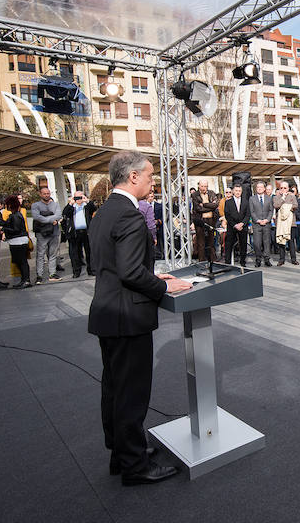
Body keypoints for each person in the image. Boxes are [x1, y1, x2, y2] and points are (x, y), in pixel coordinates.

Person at [87, 150, 191, 486]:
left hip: (107, 311)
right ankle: (135, 466)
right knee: (131, 394)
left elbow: (112, 266)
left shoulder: (104, 212)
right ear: (133, 176)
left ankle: (121, 453)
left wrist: (154, 279)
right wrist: (163, 287)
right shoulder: (130, 216)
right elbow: (132, 272)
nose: (152, 181)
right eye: (149, 175)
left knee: (114, 390)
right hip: (127, 316)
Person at [31, 187, 63, 284]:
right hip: (42, 233)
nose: (47, 195)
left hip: (54, 233)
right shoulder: (35, 205)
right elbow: (36, 216)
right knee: (40, 255)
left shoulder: (55, 204)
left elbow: (58, 216)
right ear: (40, 194)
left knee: (53, 254)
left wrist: (46, 218)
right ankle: (39, 275)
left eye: (48, 193)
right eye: (44, 193)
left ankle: (52, 273)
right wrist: (50, 220)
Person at [62, 191, 96, 278]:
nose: (79, 200)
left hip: (86, 232)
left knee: (89, 252)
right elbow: (65, 213)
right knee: (75, 253)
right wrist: (70, 203)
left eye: (80, 197)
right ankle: (76, 271)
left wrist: (87, 200)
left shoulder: (86, 206)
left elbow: (94, 208)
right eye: (76, 198)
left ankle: (91, 269)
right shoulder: (72, 207)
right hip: (75, 233)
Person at [2, 194, 32, 289]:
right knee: (19, 261)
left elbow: (16, 229)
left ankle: (26, 280)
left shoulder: (16, 216)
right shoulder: (15, 215)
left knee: (22, 261)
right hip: (17, 240)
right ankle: (24, 280)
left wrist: (4, 228)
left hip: (18, 241)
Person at [191, 180, 218, 262]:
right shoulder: (195, 195)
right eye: (202, 186)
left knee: (211, 241)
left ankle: (213, 260)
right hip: (200, 220)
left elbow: (215, 205)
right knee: (201, 242)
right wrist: (210, 206)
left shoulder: (211, 193)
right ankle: (202, 260)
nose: (204, 188)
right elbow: (198, 209)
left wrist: (204, 204)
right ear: (199, 186)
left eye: (205, 186)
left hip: (211, 219)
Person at [273, 181, 299, 266]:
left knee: (291, 241)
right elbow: (276, 205)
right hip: (281, 223)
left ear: (288, 188)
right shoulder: (276, 197)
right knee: (281, 242)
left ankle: (293, 259)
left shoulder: (292, 196)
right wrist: (283, 198)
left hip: (291, 222)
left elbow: (295, 205)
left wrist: (286, 207)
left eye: (285, 188)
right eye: (281, 188)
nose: (283, 189)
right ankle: (281, 259)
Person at [223, 185, 249, 267]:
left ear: (241, 192)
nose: (238, 192)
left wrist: (242, 223)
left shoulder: (246, 202)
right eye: (236, 190)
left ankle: (242, 261)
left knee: (243, 244)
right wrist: (234, 225)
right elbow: (227, 215)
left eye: (239, 191)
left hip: (242, 226)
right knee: (229, 244)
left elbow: (248, 215)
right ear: (233, 192)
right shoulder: (228, 202)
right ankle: (227, 262)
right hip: (232, 226)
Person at [249, 181, 274, 267]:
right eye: (258, 187)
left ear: (264, 189)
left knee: (267, 242)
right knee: (257, 243)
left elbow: (271, 210)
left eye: (261, 187)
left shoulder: (269, 198)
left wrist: (267, 219)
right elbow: (252, 212)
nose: (259, 188)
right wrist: (258, 220)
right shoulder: (252, 199)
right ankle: (258, 259)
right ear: (256, 189)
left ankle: (267, 259)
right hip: (257, 224)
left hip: (267, 224)